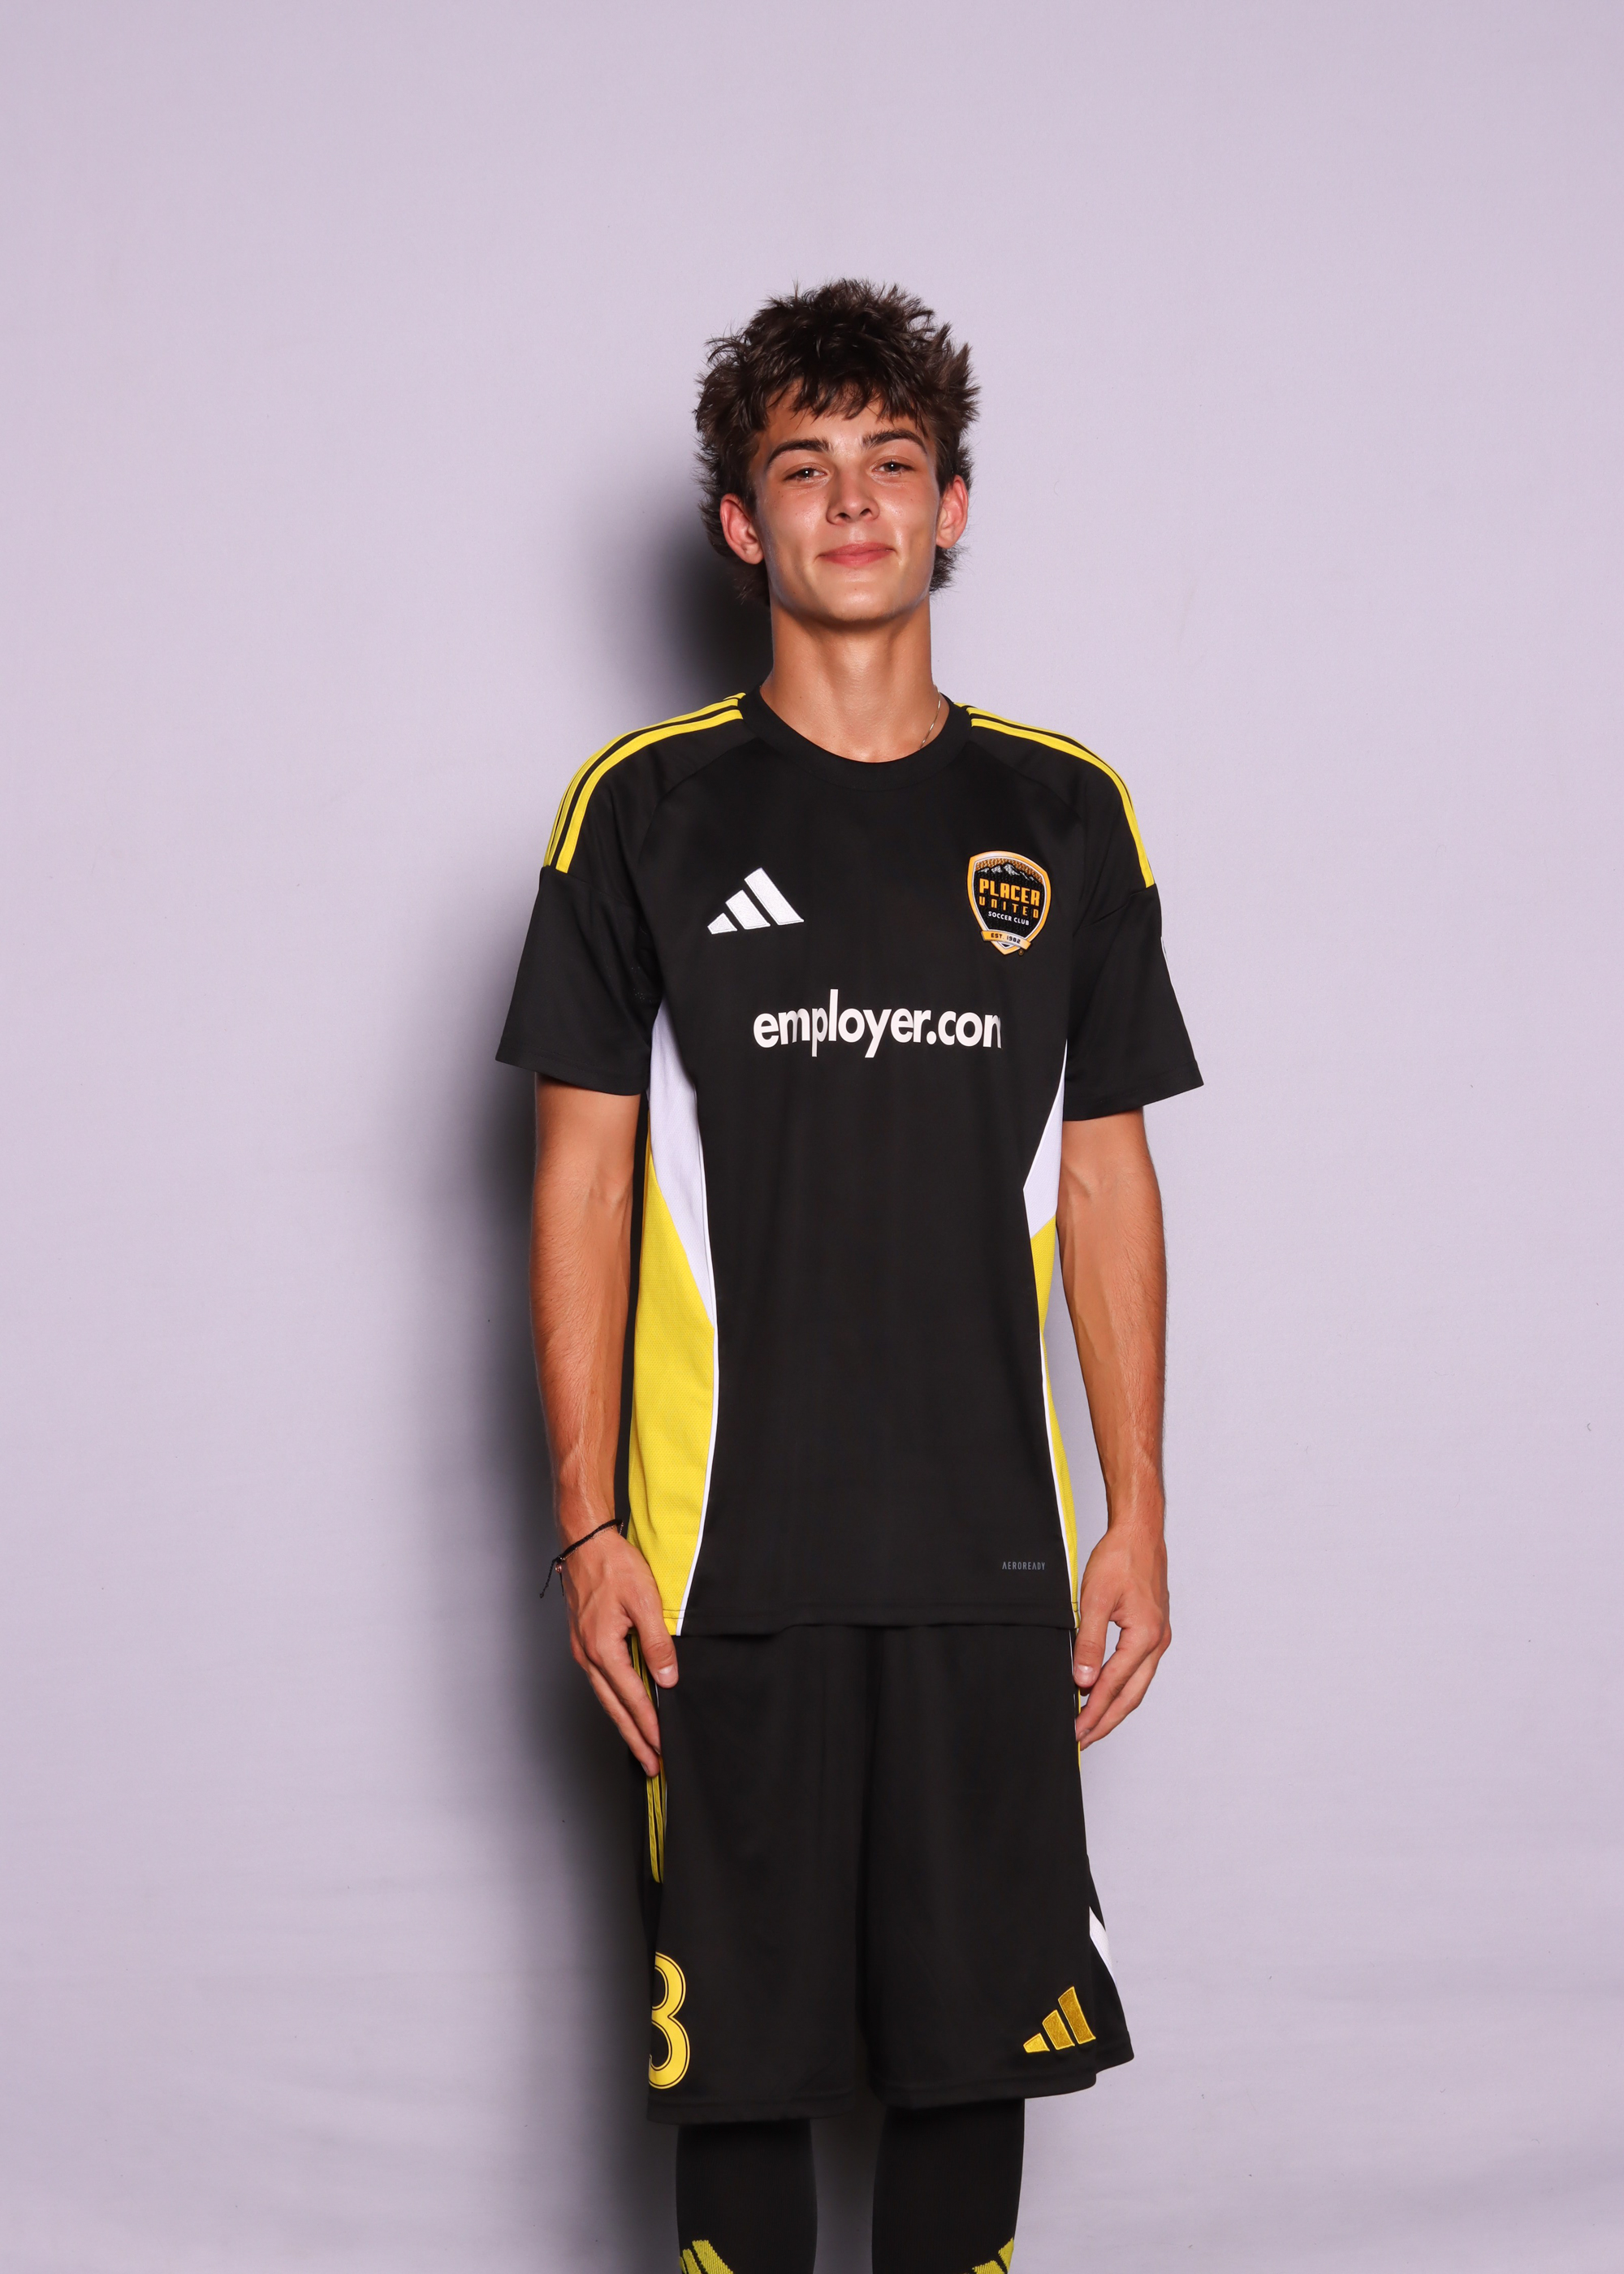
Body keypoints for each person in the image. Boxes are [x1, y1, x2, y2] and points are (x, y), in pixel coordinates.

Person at [497, 279, 1201, 2274]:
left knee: (972, 2065)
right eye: (803, 468)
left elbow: (1108, 1170)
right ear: (744, 523)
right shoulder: (642, 810)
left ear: (952, 504)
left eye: (893, 462)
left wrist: (1137, 1506)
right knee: (739, 2076)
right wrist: (587, 1529)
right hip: (725, 1568)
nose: (854, 501)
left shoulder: (1064, 813)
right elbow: (577, 1182)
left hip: (991, 1556)